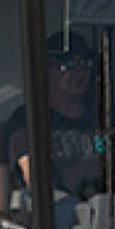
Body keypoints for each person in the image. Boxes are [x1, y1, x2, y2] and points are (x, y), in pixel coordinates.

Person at [7, 33, 102, 200]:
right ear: (45, 69)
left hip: (110, 212)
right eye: (68, 65)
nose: (79, 73)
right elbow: (33, 179)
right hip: (55, 216)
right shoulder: (27, 119)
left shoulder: (106, 116)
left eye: (85, 64)